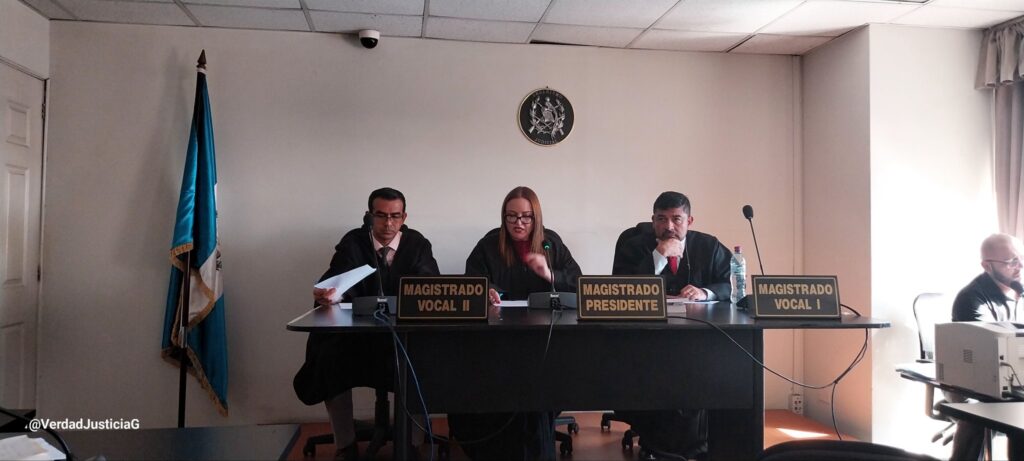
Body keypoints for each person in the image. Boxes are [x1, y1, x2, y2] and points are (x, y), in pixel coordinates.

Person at [293, 187, 440, 461]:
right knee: (328, 357)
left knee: (424, 360)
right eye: (381, 216)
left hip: (401, 339)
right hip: (356, 340)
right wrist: (328, 295)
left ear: (404, 216)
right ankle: (345, 443)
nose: (388, 224)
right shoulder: (353, 243)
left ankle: (413, 442)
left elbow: (430, 286)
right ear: (369, 216)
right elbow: (335, 281)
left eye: (395, 216)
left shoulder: (417, 244)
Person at [447, 186, 582, 461]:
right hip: (499, 339)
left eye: (525, 217)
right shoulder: (488, 245)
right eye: (511, 217)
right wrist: (486, 291)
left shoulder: (551, 244)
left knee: (540, 383)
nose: (518, 223)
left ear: (536, 218)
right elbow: (472, 283)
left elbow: (579, 286)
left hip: (545, 336)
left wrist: (550, 273)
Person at [610, 191, 731, 458]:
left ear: (690, 220)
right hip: (649, 340)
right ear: (653, 221)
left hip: (698, 338)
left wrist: (704, 292)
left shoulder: (709, 246)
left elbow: (727, 285)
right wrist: (658, 256)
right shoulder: (633, 247)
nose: (669, 226)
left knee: (703, 376)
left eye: (677, 219)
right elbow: (621, 289)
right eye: (662, 219)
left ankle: (697, 445)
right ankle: (659, 444)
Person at [947, 233, 1024, 461]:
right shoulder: (972, 298)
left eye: (1021, 258)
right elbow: (986, 351)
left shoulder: (1020, 290)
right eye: (1011, 262)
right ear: (986, 265)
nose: (1020, 265)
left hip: (1015, 377)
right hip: (968, 379)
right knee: (979, 411)